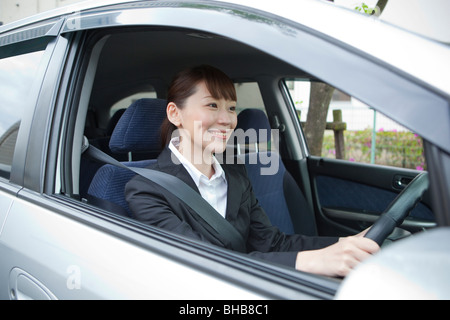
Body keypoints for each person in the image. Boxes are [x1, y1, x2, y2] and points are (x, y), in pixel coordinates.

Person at [125, 65, 379, 277]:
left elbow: (272, 243)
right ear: (175, 113)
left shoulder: (235, 175)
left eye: (232, 107)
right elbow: (205, 262)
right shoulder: (146, 189)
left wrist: (346, 244)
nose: (227, 119)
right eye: (212, 105)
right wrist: (311, 262)